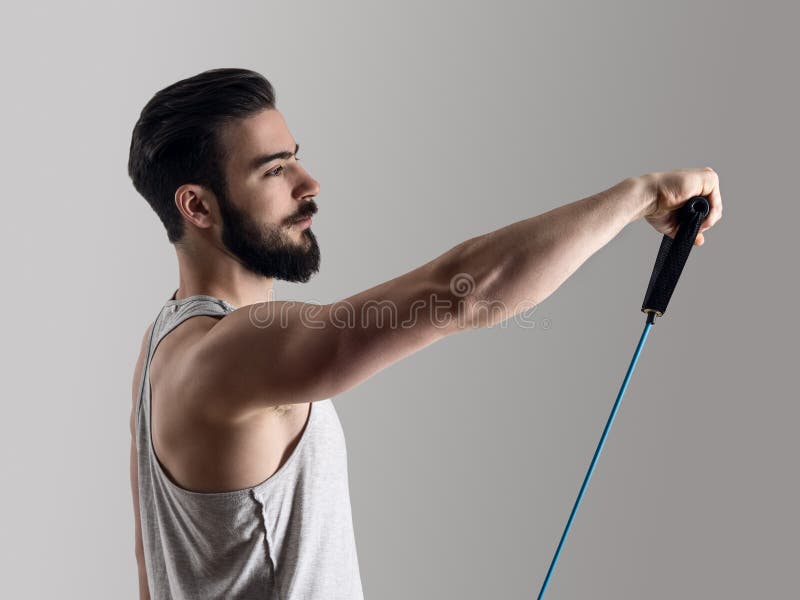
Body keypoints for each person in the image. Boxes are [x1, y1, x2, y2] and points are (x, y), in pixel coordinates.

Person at [127, 67, 722, 600]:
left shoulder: (164, 343)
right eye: (274, 170)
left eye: (295, 158)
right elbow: (458, 291)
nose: (309, 183)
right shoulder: (234, 353)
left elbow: (151, 571)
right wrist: (639, 196)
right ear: (198, 208)